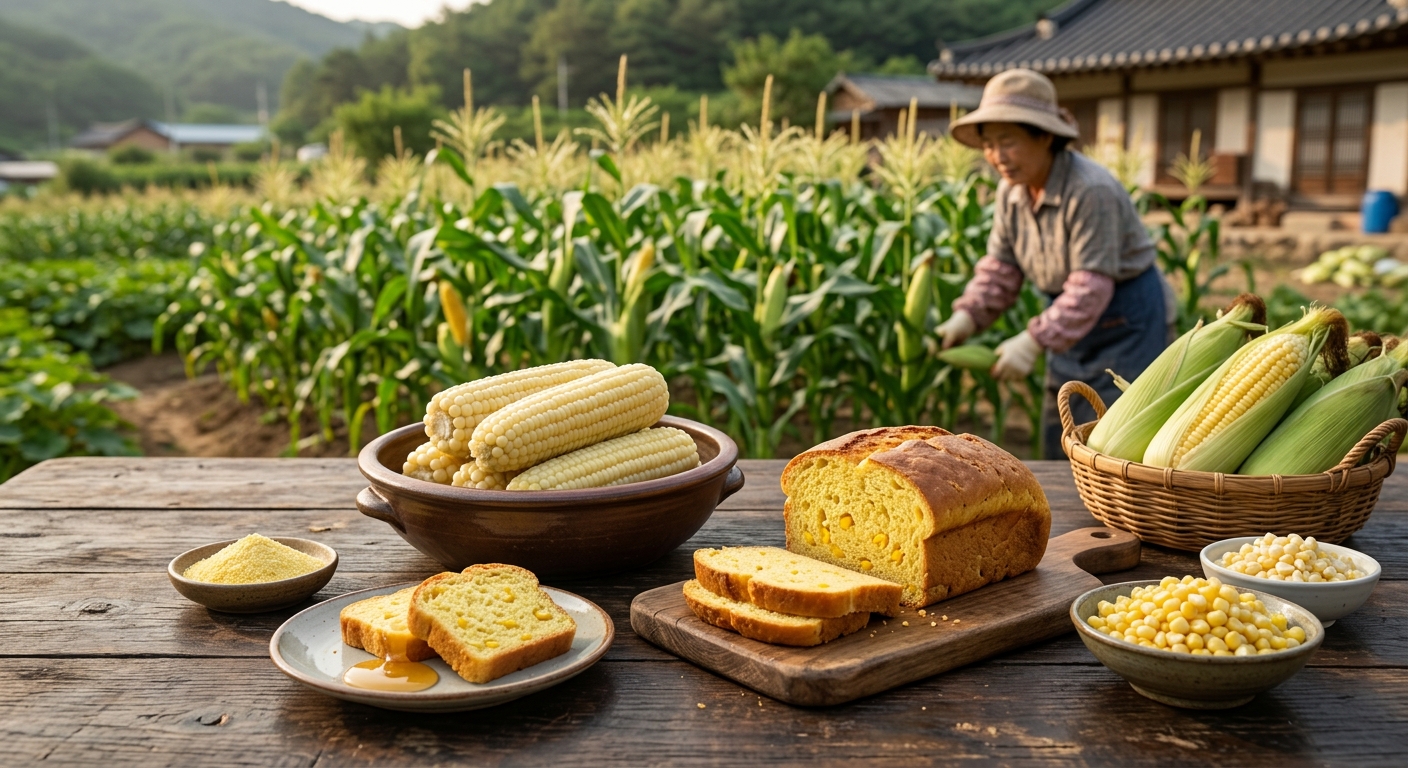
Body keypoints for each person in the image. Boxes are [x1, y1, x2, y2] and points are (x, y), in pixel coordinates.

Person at [938, 68, 1173, 460]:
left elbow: (1091, 287)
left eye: (1008, 142)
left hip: (1126, 321)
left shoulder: (1090, 190)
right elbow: (1002, 266)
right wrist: (968, 314)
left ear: (1045, 136)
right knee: (1063, 429)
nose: (997, 156)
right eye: (989, 144)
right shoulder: (1010, 192)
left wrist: (1033, 341)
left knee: (1116, 441)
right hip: (1066, 320)